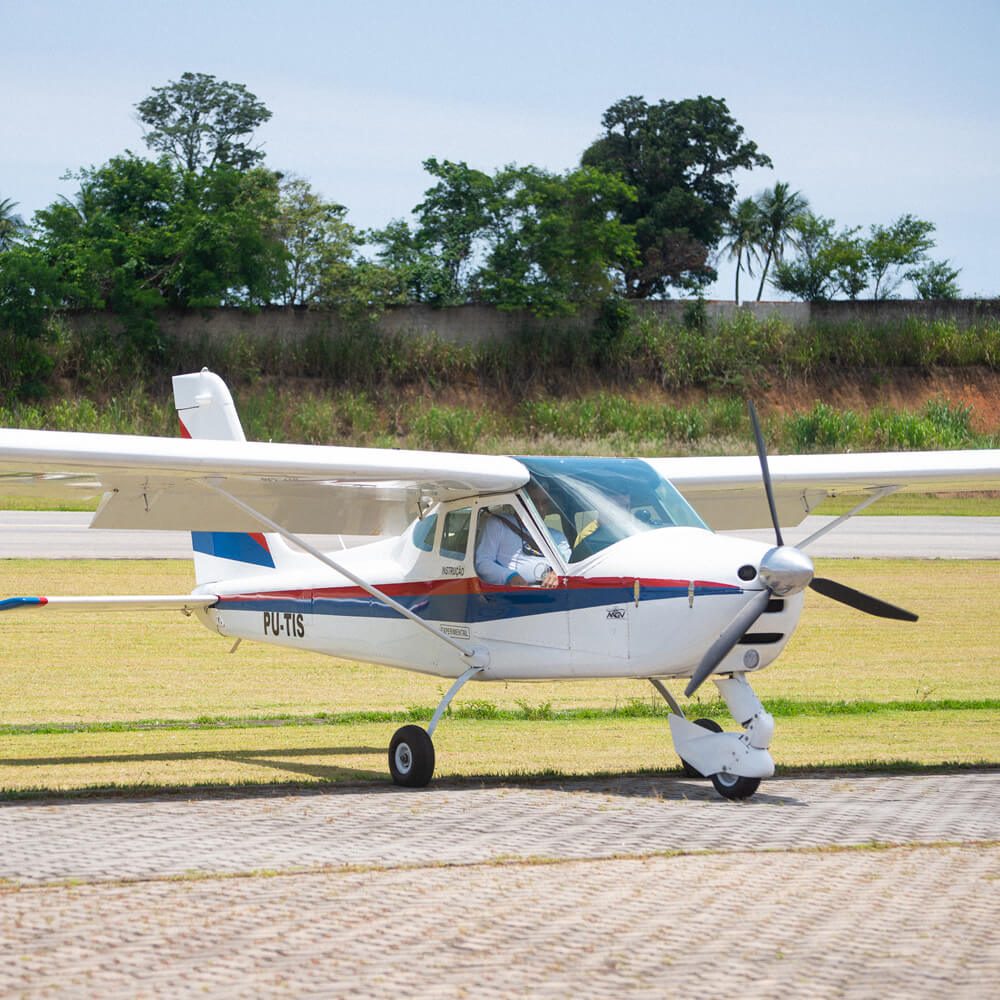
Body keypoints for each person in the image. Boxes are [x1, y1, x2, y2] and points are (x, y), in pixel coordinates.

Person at [474, 492, 570, 588]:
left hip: (551, 594)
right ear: (520, 502)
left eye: (544, 503)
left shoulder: (557, 536)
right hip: (511, 595)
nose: (540, 508)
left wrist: (557, 573)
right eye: (534, 502)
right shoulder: (497, 524)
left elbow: (569, 562)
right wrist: (509, 576)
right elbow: (482, 562)